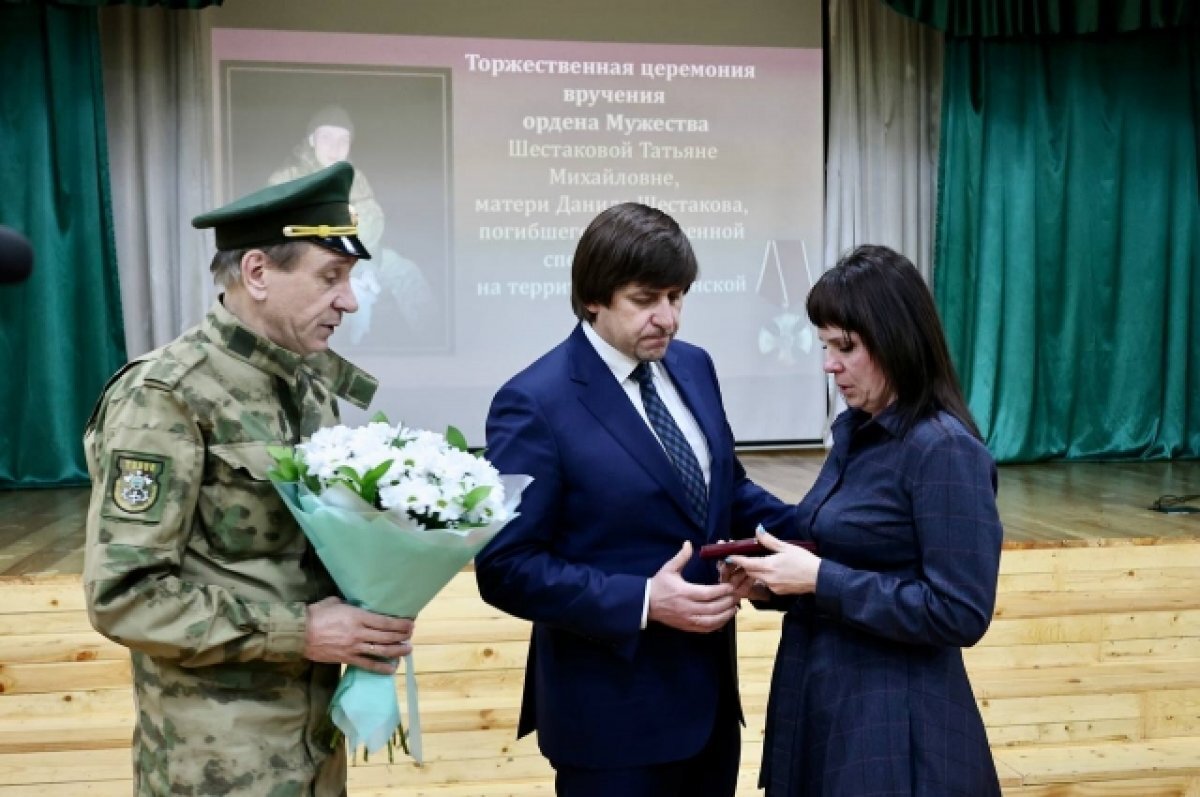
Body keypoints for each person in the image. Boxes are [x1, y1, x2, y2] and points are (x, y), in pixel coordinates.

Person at [82, 162, 415, 796]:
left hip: (315, 744)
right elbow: (123, 595)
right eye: (331, 278)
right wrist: (304, 631)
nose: (349, 299)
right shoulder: (166, 396)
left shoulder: (311, 384)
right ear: (258, 272)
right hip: (218, 762)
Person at [474, 202, 798, 797]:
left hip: (710, 713)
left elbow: (729, 496)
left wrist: (827, 531)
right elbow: (506, 568)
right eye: (646, 299)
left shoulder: (694, 367)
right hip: (609, 725)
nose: (668, 318)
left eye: (677, 297)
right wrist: (645, 600)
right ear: (593, 296)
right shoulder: (534, 402)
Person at [725, 244, 1003, 795]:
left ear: (897, 339)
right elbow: (846, 558)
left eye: (846, 347)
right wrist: (773, 584)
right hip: (830, 701)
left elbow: (960, 612)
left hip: (895, 730)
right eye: (826, 346)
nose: (830, 364)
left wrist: (818, 579)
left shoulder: (944, 450)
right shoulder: (858, 432)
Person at [268, 104, 438, 346]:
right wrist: (347, 267)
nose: (334, 147)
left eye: (343, 140)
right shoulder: (287, 179)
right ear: (311, 140)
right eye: (326, 137)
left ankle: (435, 347)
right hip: (305, 265)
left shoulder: (355, 177)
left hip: (357, 257)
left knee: (406, 271)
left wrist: (363, 267)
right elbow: (289, 234)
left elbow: (373, 222)